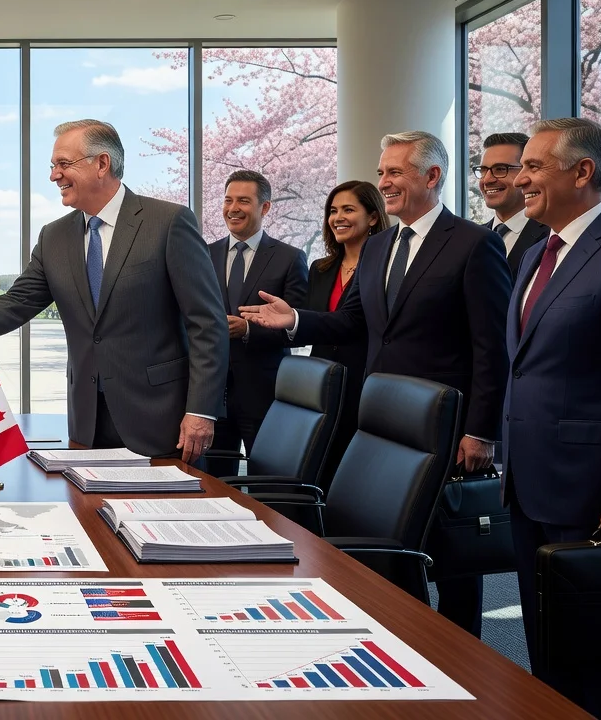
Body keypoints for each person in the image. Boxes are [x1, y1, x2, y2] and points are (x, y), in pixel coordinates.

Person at [240, 130, 511, 638]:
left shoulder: (475, 244)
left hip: (445, 423)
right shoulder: (382, 244)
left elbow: (491, 348)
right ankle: (400, 642)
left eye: (395, 173)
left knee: (453, 557)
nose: (383, 182)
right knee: (391, 546)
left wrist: (481, 431)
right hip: (383, 419)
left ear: (432, 176)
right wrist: (295, 319)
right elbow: (353, 324)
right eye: (381, 172)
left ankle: (462, 655)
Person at [0, 120, 227, 462]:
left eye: (63, 164)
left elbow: (207, 323)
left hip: (164, 423)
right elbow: (15, 304)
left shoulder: (169, 222)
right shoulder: (53, 237)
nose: (54, 176)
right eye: (52, 165)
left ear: (101, 164)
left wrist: (201, 411)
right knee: (90, 516)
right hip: (86, 423)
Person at [503, 117, 601, 717]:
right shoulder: (538, 252)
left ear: (582, 172)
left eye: (534, 166)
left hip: (592, 492)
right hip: (527, 485)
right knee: (546, 652)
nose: (520, 178)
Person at [205, 169, 308, 475]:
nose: (233, 208)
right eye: (228, 200)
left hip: (263, 392)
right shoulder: (202, 254)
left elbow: (298, 328)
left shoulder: (290, 258)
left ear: (265, 207)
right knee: (212, 480)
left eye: (244, 201)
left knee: (267, 481)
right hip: (211, 395)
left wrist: (249, 329)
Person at [305, 180, 387, 487]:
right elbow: (310, 323)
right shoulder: (320, 268)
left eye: (348, 209)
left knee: (356, 478)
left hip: (363, 383)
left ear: (373, 217)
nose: (337, 217)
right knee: (318, 472)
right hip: (322, 384)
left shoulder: (384, 266)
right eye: (333, 210)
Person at [476, 132, 549, 278]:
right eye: (483, 170)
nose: (487, 179)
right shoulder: (471, 237)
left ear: (526, 173)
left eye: (500, 169)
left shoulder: (550, 236)